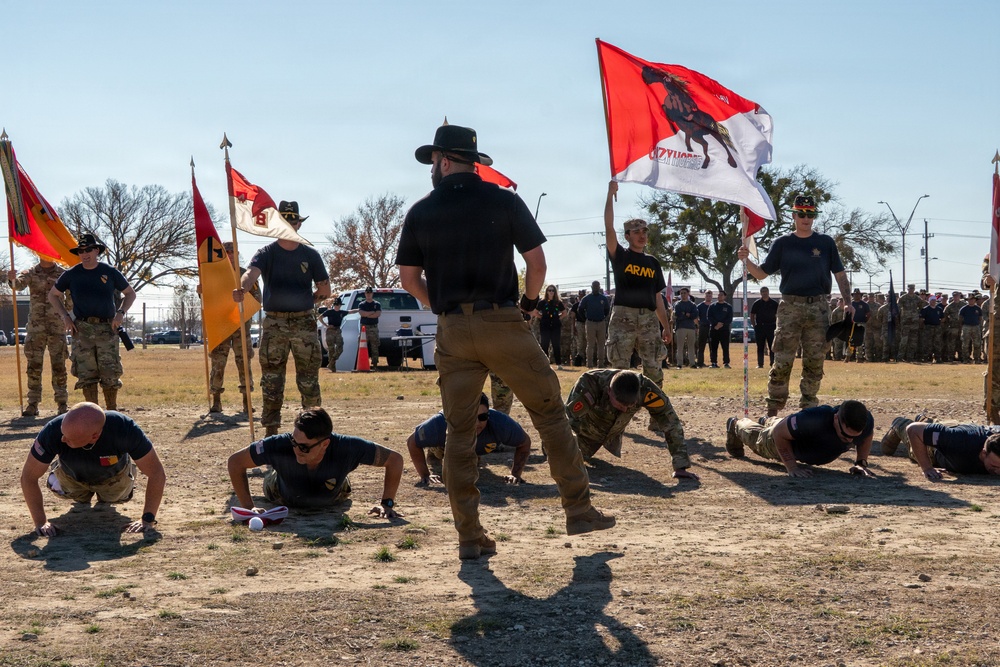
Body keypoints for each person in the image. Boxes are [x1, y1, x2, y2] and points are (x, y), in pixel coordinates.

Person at [396, 122, 615, 560]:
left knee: (459, 433)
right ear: (473, 161)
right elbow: (537, 265)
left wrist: (442, 307)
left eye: (433, 162)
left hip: (453, 330)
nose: (431, 170)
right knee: (550, 416)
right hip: (503, 321)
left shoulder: (421, 210)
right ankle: (578, 510)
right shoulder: (505, 200)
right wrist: (529, 305)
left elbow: (408, 279)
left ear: (444, 161)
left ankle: (469, 536)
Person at [737, 195, 853, 416]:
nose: (806, 218)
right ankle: (773, 409)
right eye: (801, 214)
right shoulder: (782, 243)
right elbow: (761, 274)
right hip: (790, 307)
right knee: (782, 359)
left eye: (810, 214)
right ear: (794, 216)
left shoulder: (826, 243)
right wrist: (746, 260)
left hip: (819, 307)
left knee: (815, 361)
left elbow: (840, 274)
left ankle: (809, 411)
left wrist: (848, 303)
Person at [233, 201, 331, 436]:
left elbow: (325, 289)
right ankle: (271, 432)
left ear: (298, 225)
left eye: (292, 222)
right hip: (274, 324)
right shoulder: (266, 253)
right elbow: (251, 274)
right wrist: (242, 288)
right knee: (272, 380)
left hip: (303, 324)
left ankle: (313, 432)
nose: (289, 226)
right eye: (285, 222)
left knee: (308, 380)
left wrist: (307, 301)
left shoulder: (310, 255)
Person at [19, 402, 166, 536]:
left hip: (114, 479)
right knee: (76, 496)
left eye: (69, 438)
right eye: (63, 433)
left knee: (114, 498)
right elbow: (28, 477)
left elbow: (156, 473)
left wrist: (147, 519)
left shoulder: (124, 428)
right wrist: (41, 522)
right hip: (71, 478)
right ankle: (74, 490)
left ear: (94, 436)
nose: (63, 439)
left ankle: (109, 492)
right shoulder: (52, 431)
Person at [227, 407, 403, 514]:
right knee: (273, 476)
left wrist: (387, 504)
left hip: (335, 495)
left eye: (304, 447)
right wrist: (249, 508)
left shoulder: (348, 447)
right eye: (294, 443)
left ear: (325, 444)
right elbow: (235, 462)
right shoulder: (278, 444)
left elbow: (395, 460)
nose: (296, 450)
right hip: (280, 492)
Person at [48, 233, 136, 410]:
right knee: (86, 375)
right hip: (82, 330)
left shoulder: (109, 272)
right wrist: (65, 317)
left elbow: (130, 293)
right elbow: (53, 295)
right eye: (81, 251)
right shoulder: (71, 274)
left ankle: (111, 412)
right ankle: (92, 414)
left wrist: (120, 313)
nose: (84, 254)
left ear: (96, 250)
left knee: (110, 373)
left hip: (107, 328)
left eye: (88, 250)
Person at [566, 369, 698, 479]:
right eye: (620, 405)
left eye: (630, 407)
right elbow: (567, 420)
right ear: (609, 391)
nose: (625, 410)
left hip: (611, 433)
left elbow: (670, 422)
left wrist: (680, 465)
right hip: (583, 432)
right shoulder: (590, 383)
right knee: (566, 458)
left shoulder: (646, 389)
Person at [603, 181, 671, 387]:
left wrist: (666, 327)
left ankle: (655, 405)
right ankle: (618, 403)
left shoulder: (653, 263)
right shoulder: (620, 256)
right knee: (619, 368)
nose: (642, 236)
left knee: (653, 367)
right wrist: (610, 195)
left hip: (648, 319)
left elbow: (657, 298)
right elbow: (608, 227)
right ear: (627, 236)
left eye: (644, 232)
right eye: (636, 232)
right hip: (623, 317)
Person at [724, 400, 876, 478]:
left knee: (785, 425)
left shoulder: (865, 421)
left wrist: (860, 463)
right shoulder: (814, 419)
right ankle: (735, 424)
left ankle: (768, 420)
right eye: (845, 435)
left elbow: (867, 435)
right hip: (780, 441)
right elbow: (779, 433)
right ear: (836, 418)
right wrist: (792, 467)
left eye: (853, 437)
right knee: (756, 438)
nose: (849, 441)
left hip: (794, 430)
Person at [407, 393, 531, 486]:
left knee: (470, 465)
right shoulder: (441, 422)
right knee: (446, 459)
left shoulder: (501, 423)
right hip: (445, 446)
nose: (477, 423)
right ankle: (433, 452)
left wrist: (515, 474)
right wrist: (425, 475)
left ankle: (473, 455)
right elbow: (412, 442)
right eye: (471, 417)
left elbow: (524, 442)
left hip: (476, 447)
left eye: (482, 417)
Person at [8, 256, 70, 416]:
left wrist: (68, 315)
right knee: (34, 367)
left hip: (57, 328)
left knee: (59, 366)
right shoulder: (30, 272)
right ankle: (33, 404)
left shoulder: (63, 274)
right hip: (36, 329)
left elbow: (71, 297)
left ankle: (62, 403)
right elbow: (18, 285)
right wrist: (12, 279)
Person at [204, 241, 260, 414]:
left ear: (237, 254)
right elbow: (208, 299)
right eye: (226, 252)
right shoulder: (214, 275)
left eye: (232, 251)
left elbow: (257, 298)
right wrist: (201, 291)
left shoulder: (246, 275)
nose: (229, 255)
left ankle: (246, 401)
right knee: (218, 363)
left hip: (240, 326)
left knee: (244, 363)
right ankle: (216, 401)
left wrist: (242, 307)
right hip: (221, 326)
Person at [880, 416, 1000, 480]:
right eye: (994, 466)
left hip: (953, 430)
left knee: (937, 429)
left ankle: (926, 421)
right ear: (983, 453)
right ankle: (899, 423)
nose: (998, 472)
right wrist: (927, 468)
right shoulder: (959, 441)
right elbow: (913, 430)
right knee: (887, 449)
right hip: (935, 450)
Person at [579, 280, 611, 367]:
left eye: (597, 286)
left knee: (601, 344)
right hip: (590, 323)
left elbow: (607, 310)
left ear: (599, 287)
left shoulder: (603, 298)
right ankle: (589, 364)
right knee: (590, 344)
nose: (596, 288)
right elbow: (580, 309)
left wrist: (603, 317)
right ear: (591, 287)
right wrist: (586, 319)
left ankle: (601, 364)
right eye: (594, 286)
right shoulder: (586, 298)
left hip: (601, 323)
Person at [536, 284, 566, 370]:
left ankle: (559, 363)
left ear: (555, 292)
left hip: (555, 325)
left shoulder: (558, 302)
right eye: (549, 290)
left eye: (553, 290)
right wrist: (542, 317)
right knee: (544, 344)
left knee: (556, 344)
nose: (551, 292)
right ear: (546, 292)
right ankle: (545, 363)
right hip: (545, 325)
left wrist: (558, 318)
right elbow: (535, 312)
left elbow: (564, 313)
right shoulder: (542, 302)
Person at [750, 286, 778, 368]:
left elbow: (779, 314)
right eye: (763, 291)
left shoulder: (774, 303)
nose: (764, 293)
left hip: (771, 327)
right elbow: (752, 314)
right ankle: (760, 364)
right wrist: (754, 325)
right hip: (760, 327)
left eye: (766, 291)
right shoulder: (757, 303)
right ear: (760, 293)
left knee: (772, 346)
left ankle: (772, 363)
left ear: (768, 292)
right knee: (760, 346)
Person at [672, 287, 698, 368]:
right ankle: (679, 364)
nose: (683, 295)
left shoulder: (692, 305)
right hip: (680, 327)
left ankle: (692, 363)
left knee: (691, 346)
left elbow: (695, 315)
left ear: (688, 294)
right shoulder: (677, 304)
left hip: (691, 327)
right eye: (681, 293)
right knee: (680, 347)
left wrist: (686, 314)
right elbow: (678, 315)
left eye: (684, 293)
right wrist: (687, 314)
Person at [707, 290, 733, 369]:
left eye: (721, 295)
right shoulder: (712, 306)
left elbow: (729, 318)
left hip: (724, 330)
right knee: (713, 347)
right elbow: (709, 316)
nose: (719, 296)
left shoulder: (728, 307)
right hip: (714, 329)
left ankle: (726, 363)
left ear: (725, 297)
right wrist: (716, 324)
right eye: (718, 295)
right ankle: (714, 362)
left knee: (725, 347)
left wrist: (722, 324)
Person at [358, 287, 382, 368]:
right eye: (367, 293)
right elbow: (362, 313)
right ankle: (362, 363)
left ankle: (375, 363)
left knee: (375, 346)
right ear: (365, 294)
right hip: (364, 328)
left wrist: (367, 315)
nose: (368, 295)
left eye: (370, 293)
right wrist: (372, 312)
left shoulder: (377, 304)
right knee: (362, 346)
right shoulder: (362, 304)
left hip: (373, 327)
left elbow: (377, 314)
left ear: (372, 294)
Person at [321, 297, 347, 371]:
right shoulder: (329, 312)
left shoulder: (342, 312)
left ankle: (331, 362)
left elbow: (351, 311)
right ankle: (333, 367)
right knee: (331, 349)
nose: (338, 306)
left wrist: (359, 310)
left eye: (339, 305)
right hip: (330, 331)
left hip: (337, 330)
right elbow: (320, 317)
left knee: (340, 348)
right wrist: (326, 325)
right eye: (336, 305)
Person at [846, 288, 870, 362]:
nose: (857, 295)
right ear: (853, 295)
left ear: (860, 295)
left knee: (860, 341)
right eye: (855, 294)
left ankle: (859, 357)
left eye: (858, 294)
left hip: (861, 324)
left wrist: (864, 321)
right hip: (852, 324)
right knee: (850, 340)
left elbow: (868, 314)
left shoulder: (864, 304)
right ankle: (848, 356)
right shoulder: (850, 304)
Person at [960, 293, 984, 364]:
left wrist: (978, 324)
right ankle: (965, 358)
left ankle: (977, 358)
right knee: (965, 344)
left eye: (973, 299)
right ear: (967, 300)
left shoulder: (978, 308)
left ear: (975, 300)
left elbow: (980, 318)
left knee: (977, 343)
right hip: (966, 326)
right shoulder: (964, 309)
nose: (971, 301)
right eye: (970, 300)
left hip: (976, 327)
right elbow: (960, 318)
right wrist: (963, 326)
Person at [919, 296, 944, 363]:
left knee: (937, 343)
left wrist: (939, 323)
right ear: (929, 301)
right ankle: (926, 357)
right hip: (928, 327)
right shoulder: (925, 309)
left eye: (934, 300)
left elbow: (943, 318)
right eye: (932, 300)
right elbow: (921, 319)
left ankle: (938, 358)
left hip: (937, 328)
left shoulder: (939, 309)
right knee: (927, 343)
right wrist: (922, 326)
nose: (933, 301)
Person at [696, 290, 713, 368]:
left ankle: (713, 361)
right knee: (701, 345)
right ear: (704, 296)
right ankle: (700, 362)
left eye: (710, 296)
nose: (708, 297)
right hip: (703, 327)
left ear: (712, 296)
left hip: (712, 327)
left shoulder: (714, 306)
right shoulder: (700, 306)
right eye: (707, 296)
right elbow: (696, 317)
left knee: (712, 345)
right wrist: (698, 324)